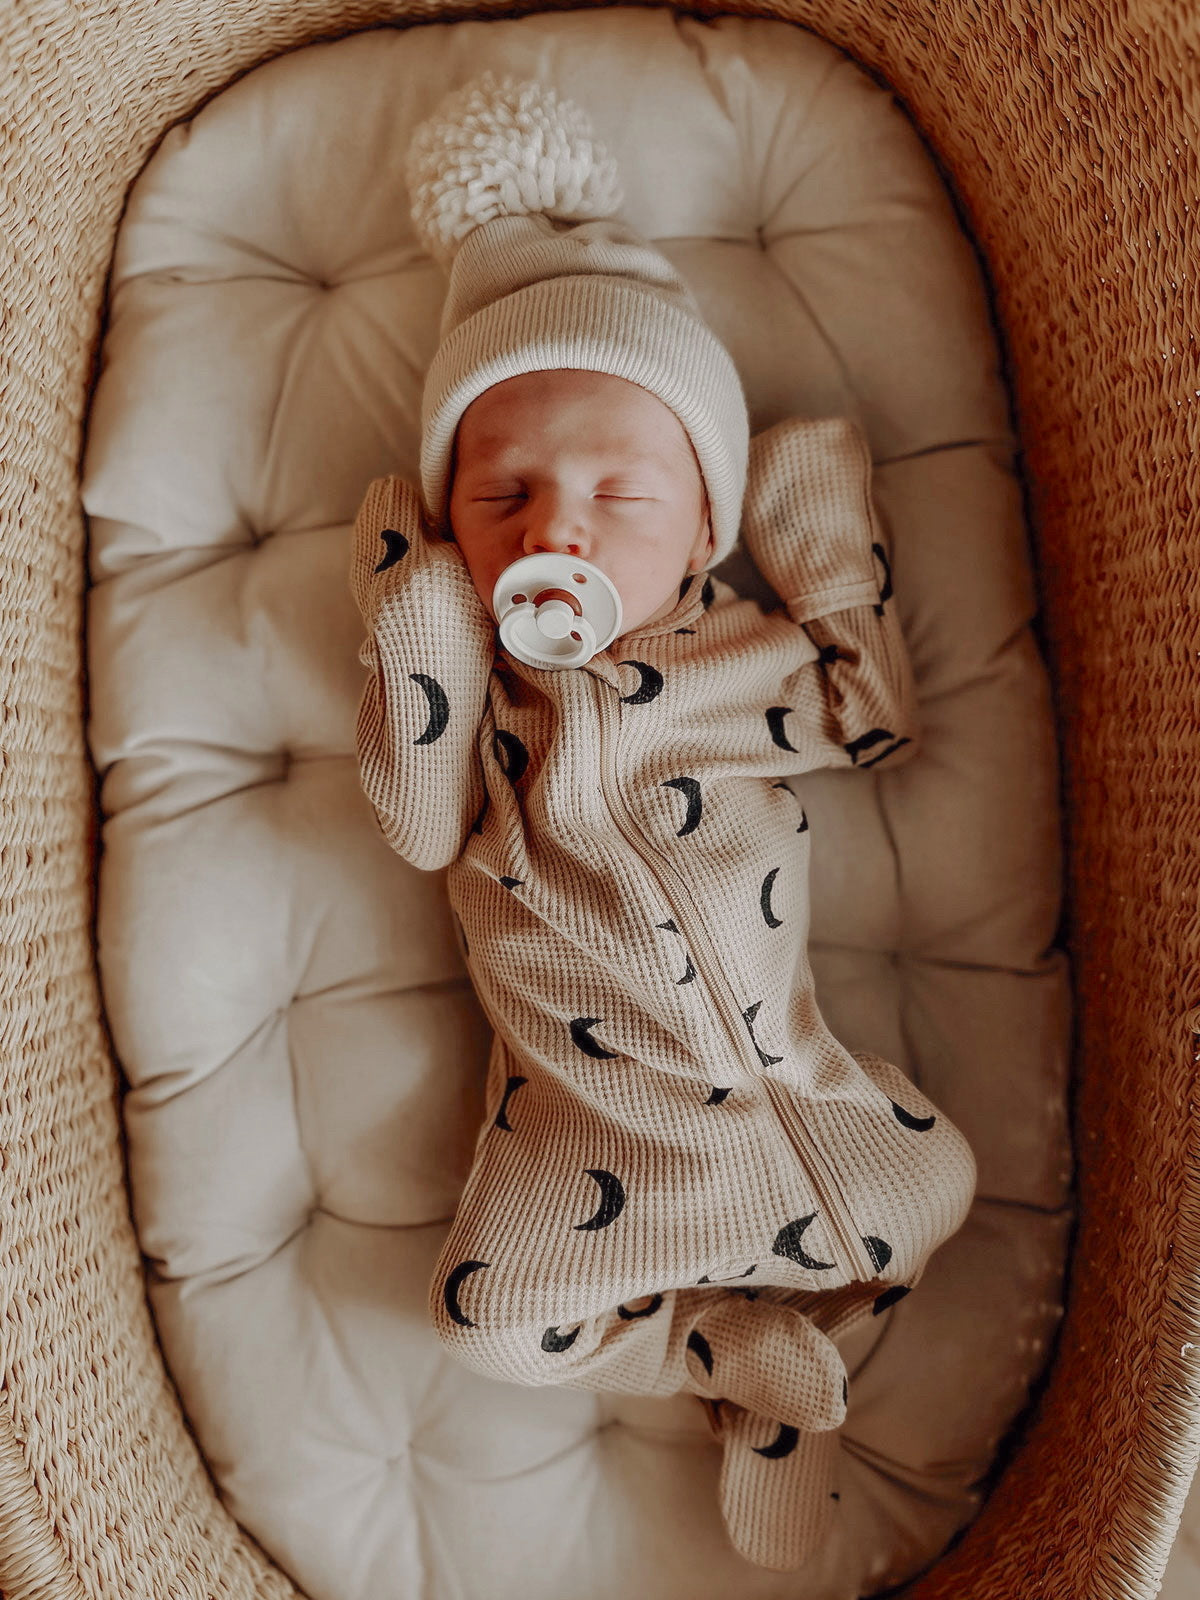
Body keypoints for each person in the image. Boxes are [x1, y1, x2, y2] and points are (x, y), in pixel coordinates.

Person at [348, 72, 977, 1574]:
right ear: (451, 530)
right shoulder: (489, 718)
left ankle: (779, 1342)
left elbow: (868, 710)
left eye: (618, 491)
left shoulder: (733, 663)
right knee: (487, 1320)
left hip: (805, 1097)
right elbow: (418, 826)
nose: (554, 529)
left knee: (935, 1190)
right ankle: (708, 1347)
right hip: (592, 1132)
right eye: (499, 495)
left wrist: (815, 536)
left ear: (702, 529)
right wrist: (416, 614)